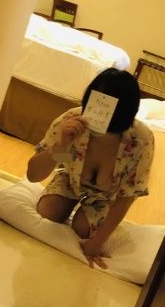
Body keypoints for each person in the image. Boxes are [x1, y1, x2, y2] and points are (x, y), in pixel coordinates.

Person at [27, 68, 154, 269]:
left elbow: (125, 198)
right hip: (70, 177)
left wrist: (96, 243)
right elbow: (33, 176)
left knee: (83, 229)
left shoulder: (140, 140)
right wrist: (61, 146)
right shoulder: (72, 121)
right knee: (47, 213)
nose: (100, 116)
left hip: (108, 195)